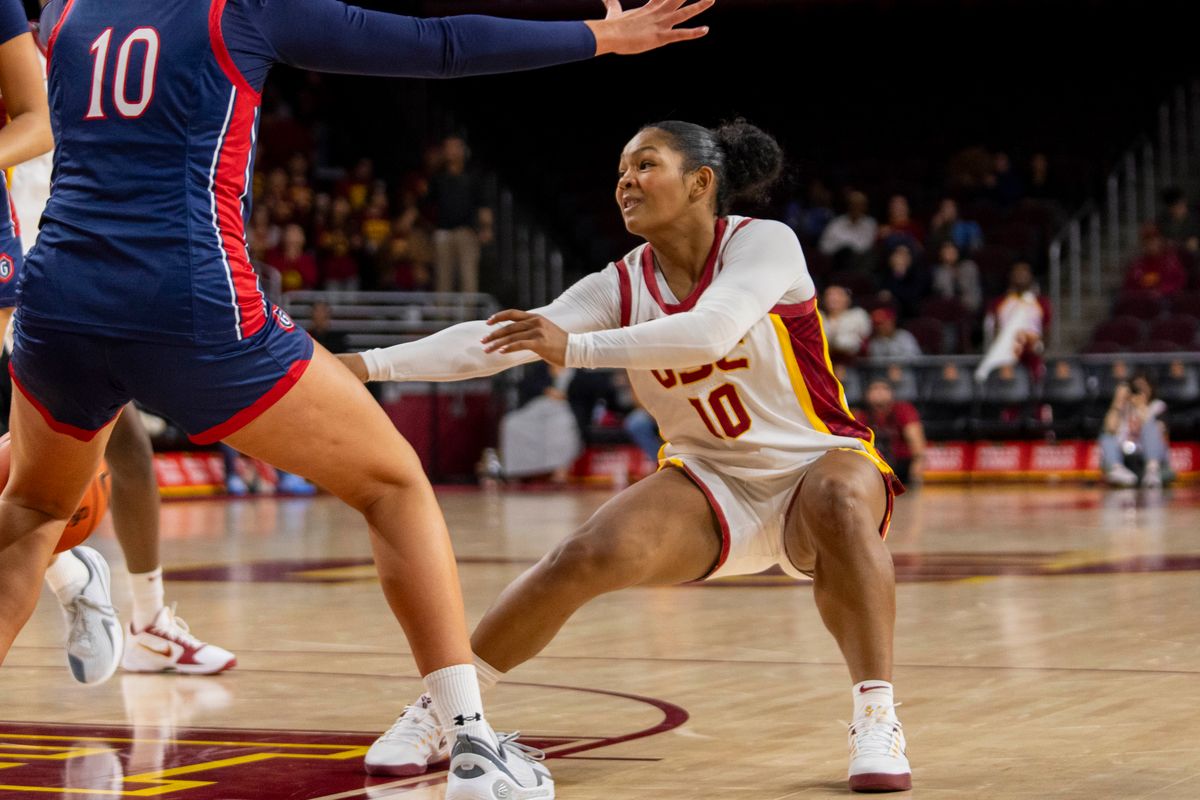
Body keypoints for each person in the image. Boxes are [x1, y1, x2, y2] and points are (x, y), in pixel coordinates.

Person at [0, 3, 714, 798]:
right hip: (190, 304)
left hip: (58, 300)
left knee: (29, 515)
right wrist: (596, 36)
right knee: (393, 483)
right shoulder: (237, 8)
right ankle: (474, 747)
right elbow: (438, 45)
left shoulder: (64, 11)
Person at [342, 119, 914, 793]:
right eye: (620, 171)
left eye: (645, 166)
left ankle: (877, 716)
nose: (625, 182)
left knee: (840, 497)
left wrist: (574, 349)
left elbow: (710, 330)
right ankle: (446, 711)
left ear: (702, 183)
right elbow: (498, 340)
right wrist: (358, 365)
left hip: (817, 461)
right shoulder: (620, 284)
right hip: (709, 482)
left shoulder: (765, 243)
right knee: (578, 558)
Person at [430, 135, 492, 294]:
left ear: (462, 150)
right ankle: (443, 318)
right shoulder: (438, 178)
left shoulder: (473, 176)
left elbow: (483, 205)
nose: (450, 151)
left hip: (466, 232)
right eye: (447, 147)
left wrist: (486, 228)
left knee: (468, 279)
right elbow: (426, 203)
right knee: (443, 279)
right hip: (443, 232)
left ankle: (468, 318)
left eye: (454, 147)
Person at [976, 261, 1051, 383]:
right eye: (1017, 272)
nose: (1021, 275)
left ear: (1031, 276)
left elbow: (1047, 329)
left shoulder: (1042, 303)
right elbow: (993, 330)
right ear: (1010, 276)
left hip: (1032, 354)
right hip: (1006, 353)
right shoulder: (998, 303)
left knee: (1035, 385)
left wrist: (1040, 347)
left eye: (1024, 272)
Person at [1100, 373, 1169, 488]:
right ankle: (1117, 469)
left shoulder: (1157, 406)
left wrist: (1141, 406)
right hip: (1125, 455)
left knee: (1150, 427)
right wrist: (1118, 403)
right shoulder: (1124, 408)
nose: (1139, 392)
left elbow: (1158, 431)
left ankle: (1152, 472)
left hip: (1148, 456)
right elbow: (1110, 427)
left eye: (1143, 387)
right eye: (1135, 389)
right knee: (1107, 434)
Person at [854, 380, 924, 486]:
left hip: (900, 468)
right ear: (866, 395)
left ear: (892, 393)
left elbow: (916, 440)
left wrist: (916, 470)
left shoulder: (903, 409)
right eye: (874, 389)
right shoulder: (859, 414)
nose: (879, 392)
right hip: (871, 468)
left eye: (884, 389)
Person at [819, 190, 878, 272]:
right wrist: (843, 249)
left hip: (860, 265)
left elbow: (866, 246)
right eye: (853, 204)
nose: (856, 207)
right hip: (837, 263)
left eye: (859, 205)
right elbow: (824, 246)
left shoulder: (870, 224)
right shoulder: (836, 223)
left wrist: (848, 246)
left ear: (865, 207)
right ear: (848, 205)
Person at [1123, 222, 1187, 297]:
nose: (1151, 245)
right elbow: (1130, 285)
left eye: (1154, 240)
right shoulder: (1137, 263)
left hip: (1165, 299)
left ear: (1160, 241)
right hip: (1142, 300)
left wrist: (1161, 291)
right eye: (1147, 242)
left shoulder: (1170, 260)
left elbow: (1179, 281)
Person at [821, 284, 872, 363]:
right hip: (825, 363)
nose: (833, 298)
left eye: (838, 294)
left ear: (847, 298)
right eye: (829, 295)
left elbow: (865, 340)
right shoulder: (819, 317)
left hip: (855, 364)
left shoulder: (858, 315)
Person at [930, 239, 982, 313]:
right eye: (946, 251)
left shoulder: (969, 266)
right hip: (948, 310)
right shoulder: (939, 272)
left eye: (952, 250)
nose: (950, 253)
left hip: (970, 307)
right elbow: (944, 294)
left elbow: (970, 290)